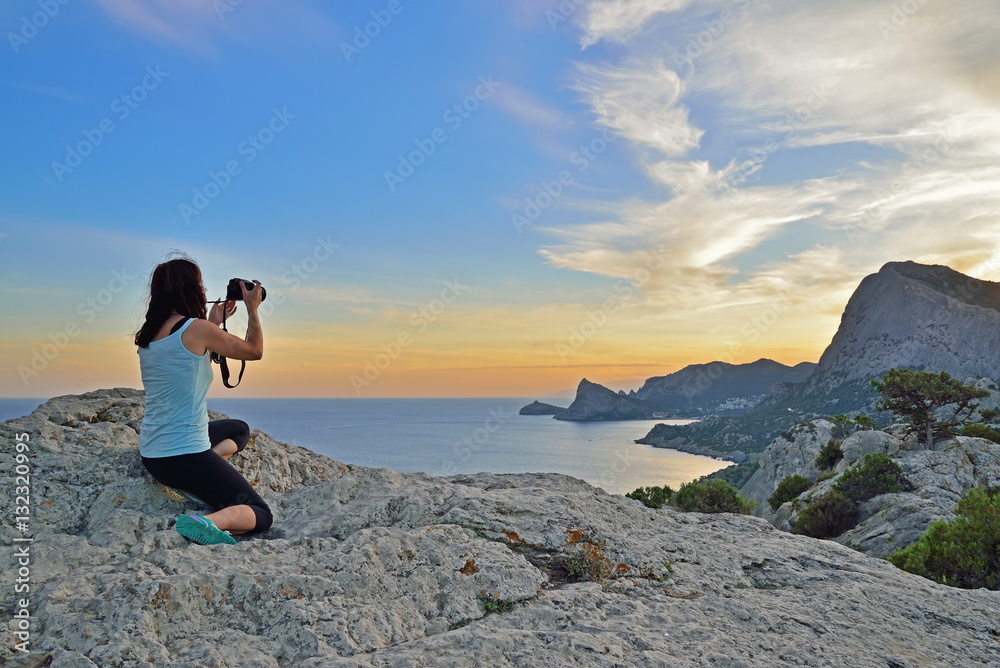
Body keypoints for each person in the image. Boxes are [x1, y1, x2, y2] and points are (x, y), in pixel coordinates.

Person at [134, 257, 272, 545]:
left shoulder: (148, 336)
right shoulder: (197, 329)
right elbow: (254, 351)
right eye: (200, 284)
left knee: (239, 429)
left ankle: (203, 477)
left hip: (153, 454)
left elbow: (187, 358)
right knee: (260, 514)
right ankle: (205, 520)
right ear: (192, 289)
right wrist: (252, 309)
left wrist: (214, 324)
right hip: (184, 455)